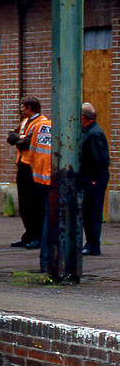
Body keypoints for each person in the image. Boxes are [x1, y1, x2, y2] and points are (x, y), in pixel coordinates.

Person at [6, 96, 48, 249]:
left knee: (34, 204)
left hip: (33, 167)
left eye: (23, 107)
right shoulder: (24, 122)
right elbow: (12, 136)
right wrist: (19, 138)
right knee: (24, 204)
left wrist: (19, 139)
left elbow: (27, 142)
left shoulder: (42, 123)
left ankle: (38, 236)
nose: (21, 109)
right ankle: (29, 234)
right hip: (22, 165)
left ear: (29, 108)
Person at [79, 102, 110, 256]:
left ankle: (93, 244)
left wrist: (93, 178)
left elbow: (100, 160)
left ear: (84, 117)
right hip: (90, 177)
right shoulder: (88, 132)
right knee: (87, 211)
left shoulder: (93, 134)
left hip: (94, 178)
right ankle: (90, 242)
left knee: (92, 211)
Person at [30, 110, 54, 272]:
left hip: (39, 179)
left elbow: (31, 153)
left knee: (46, 217)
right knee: (52, 220)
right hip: (55, 180)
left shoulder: (40, 126)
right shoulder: (65, 129)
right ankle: (48, 262)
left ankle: (45, 261)